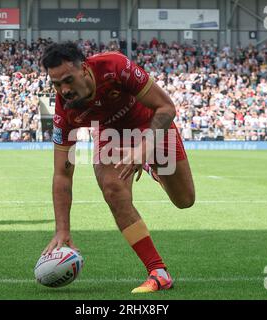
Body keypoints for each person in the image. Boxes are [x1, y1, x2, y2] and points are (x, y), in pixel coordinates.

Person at [40, 42, 195, 293]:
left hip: (151, 124)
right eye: (56, 84)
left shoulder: (114, 66)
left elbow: (166, 108)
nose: (64, 90)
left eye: (68, 80)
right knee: (112, 188)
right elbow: (62, 174)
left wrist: (142, 149)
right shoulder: (64, 110)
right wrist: (62, 230)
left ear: (85, 69)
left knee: (184, 200)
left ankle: (149, 163)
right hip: (111, 134)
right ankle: (158, 272)